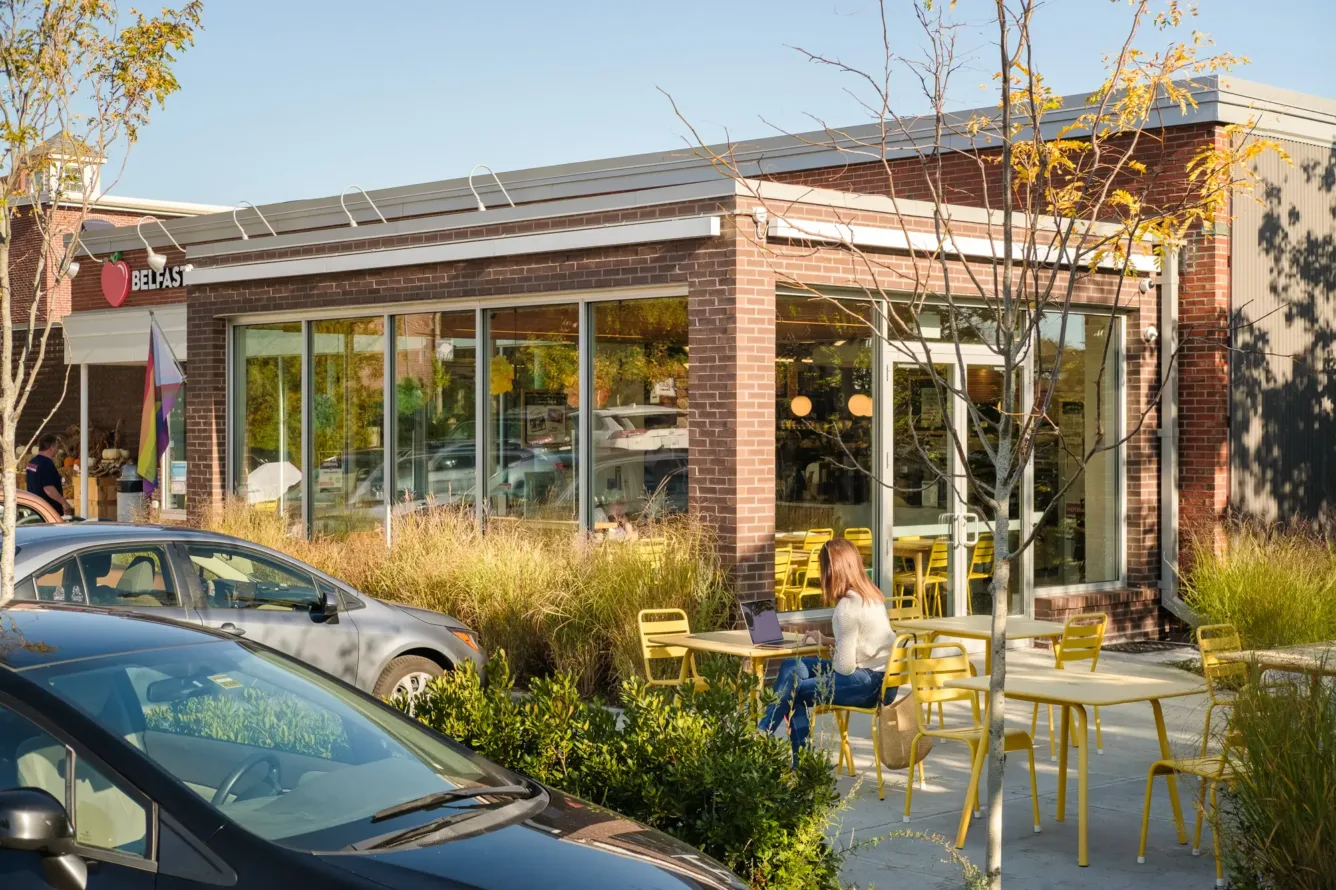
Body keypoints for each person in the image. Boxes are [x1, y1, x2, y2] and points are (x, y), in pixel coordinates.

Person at [758, 536, 896, 763]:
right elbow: (863, 643)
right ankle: (765, 729)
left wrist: (835, 653)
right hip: (882, 682)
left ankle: (796, 759)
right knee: (793, 665)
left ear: (831, 571)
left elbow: (845, 667)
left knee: (795, 690)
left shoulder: (847, 607)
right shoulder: (872, 596)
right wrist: (829, 640)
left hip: (866, 684)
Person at [25, 433, 71, 517]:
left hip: (34, 509)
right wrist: (64, 502)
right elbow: (48, 488)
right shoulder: (46, 464)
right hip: (48, 511)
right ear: (52, 447)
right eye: (56, 446)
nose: (57, 449)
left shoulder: (32, 463)